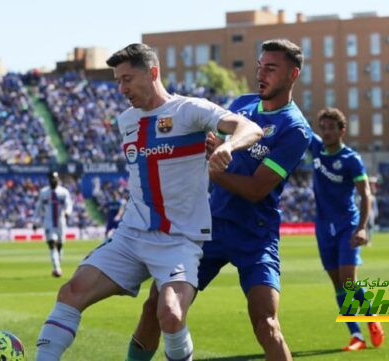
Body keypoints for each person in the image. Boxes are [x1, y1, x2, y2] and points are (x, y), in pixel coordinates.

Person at [34, 43, 262, 361]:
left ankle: (356, 328)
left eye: (127, 79)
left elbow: (249, 127)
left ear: (152, 73)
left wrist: (228, 147)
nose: (121, 88)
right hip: (132, 235)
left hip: (179, 239)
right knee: (71, 291)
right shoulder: (126, 121)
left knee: (169, 314)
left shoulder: (190, 110)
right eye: (117, 80)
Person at [126, 39, 311, 361]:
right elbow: (208, 143)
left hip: (254, 233)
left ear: (292, 74)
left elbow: (256, 189)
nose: (261, 74)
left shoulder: (295, 129)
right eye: (259, 67)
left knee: (266, 323)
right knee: (155, 305)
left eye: (271, 68)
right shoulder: (241, 105)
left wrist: (213, 170)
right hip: (207, 226)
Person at [309, 108, 384, 351]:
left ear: (342, 131)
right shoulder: (316, 149)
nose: (326, 132)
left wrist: (362, 228)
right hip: (322, 227)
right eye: (323, 128)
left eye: (331, 128)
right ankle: (357, 336)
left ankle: (370, 319)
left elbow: (366, 195)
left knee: (348, 282)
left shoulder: (351, 159)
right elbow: (295, 121)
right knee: (338, 285)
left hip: (347, 225)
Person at [34, 172, 74, 277]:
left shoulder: (63, 192)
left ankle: (58, 263)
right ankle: (57, 269)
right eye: (51, 179)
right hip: (48, 222)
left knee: (60, 245)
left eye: (55, 178)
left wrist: (67, 212)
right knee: (52, 244)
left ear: (58, 179)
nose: (53, 180)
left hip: (60, 222)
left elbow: (69, 204)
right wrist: (35, 221)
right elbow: (38, 207)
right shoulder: (44, 193)